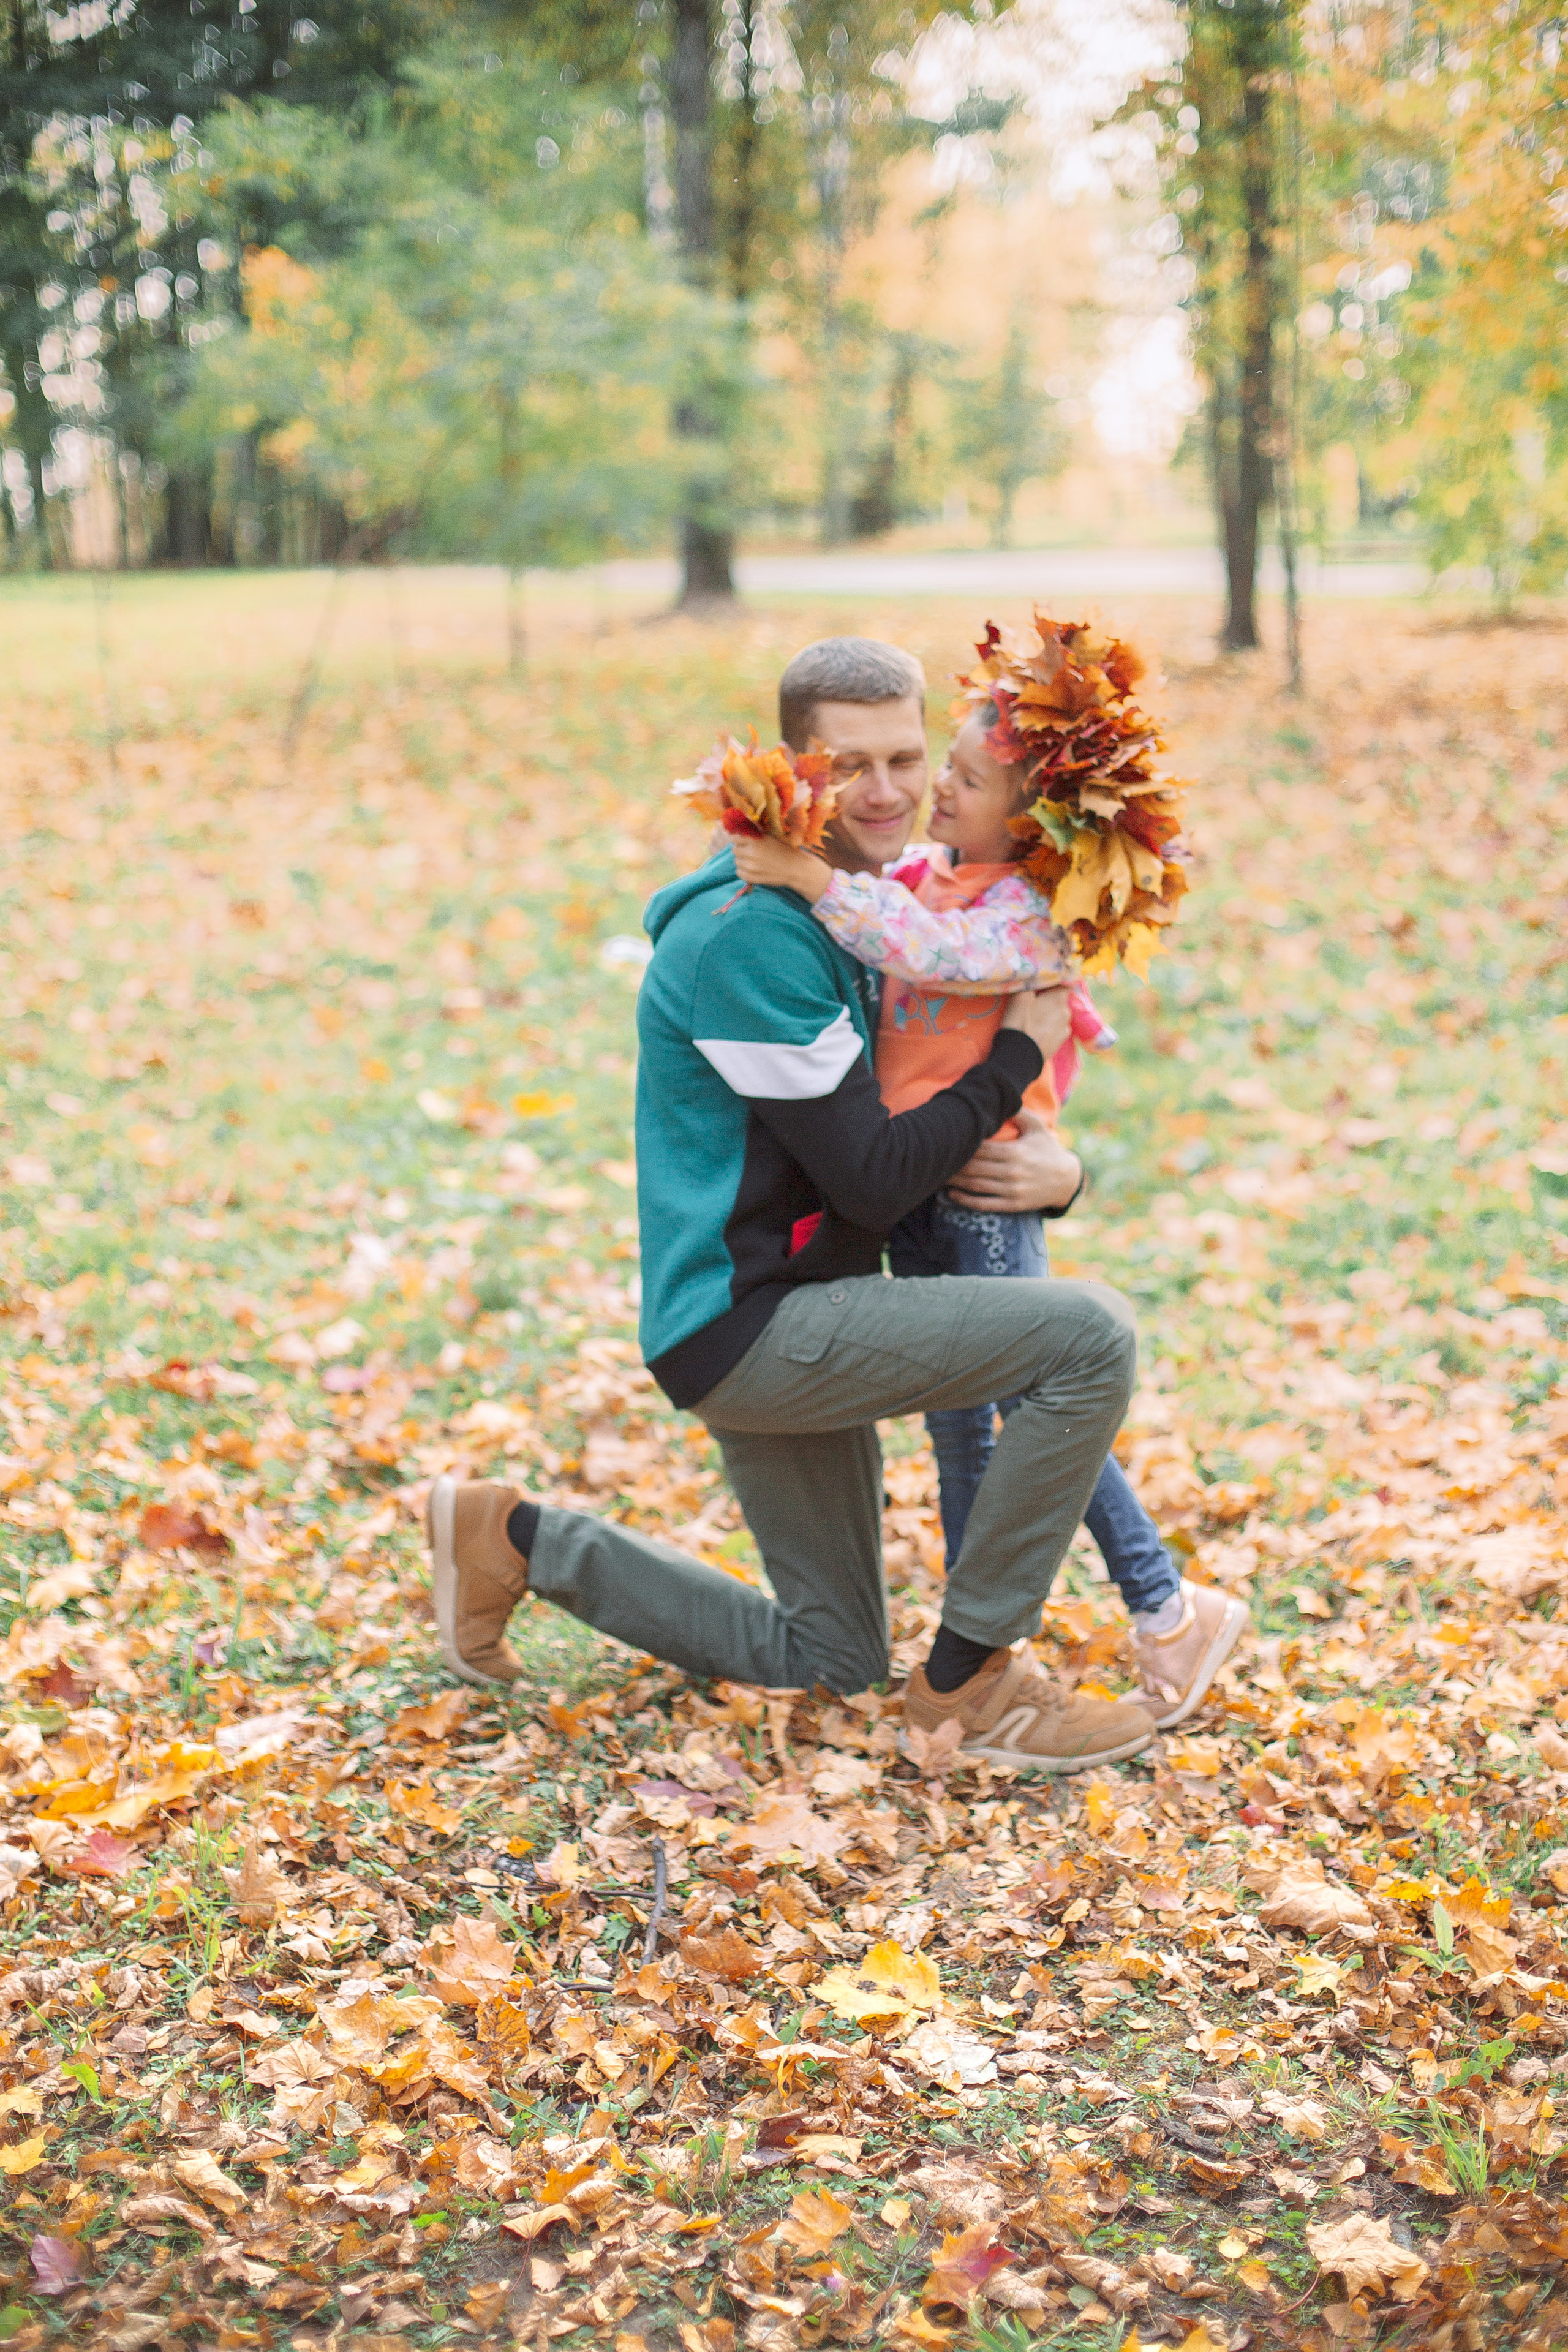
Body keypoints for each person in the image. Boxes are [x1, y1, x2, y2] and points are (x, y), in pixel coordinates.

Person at [426, 636, 1159, 1772]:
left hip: (807, 1301)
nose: (887, 791)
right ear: (792, 768)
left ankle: (514, 1539)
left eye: (907, 758)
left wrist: (1062, 1172)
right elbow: (874, 1173)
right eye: (848, 763)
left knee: (832, 1655)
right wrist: (1015, 1064)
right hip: (753, 1324)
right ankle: (974, 1684)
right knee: (1090, 1339)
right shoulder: (753, 938)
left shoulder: (870, 903)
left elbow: (929, 1084)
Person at [731, 702, 1248, 1730]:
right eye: (951, 770)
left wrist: (811, 878)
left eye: (966, 778)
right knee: (960, 1425)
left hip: (981, 1192)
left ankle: (1162, 1604)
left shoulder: (1018, 911)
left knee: (1032, 1411)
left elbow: (929, 954)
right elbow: (886, 918)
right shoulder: (934, 874)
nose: (941, 791)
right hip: (916, 1184)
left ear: (1031, 827)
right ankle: (973, 1660)